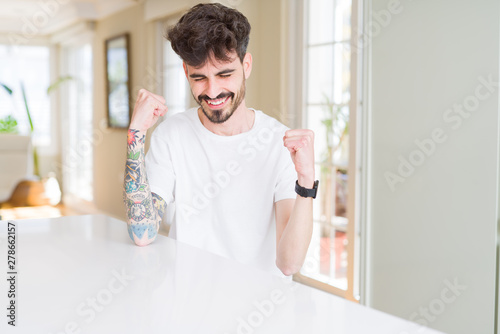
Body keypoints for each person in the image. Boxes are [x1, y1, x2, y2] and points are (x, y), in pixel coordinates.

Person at [123, 3, 318, 277]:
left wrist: (307, 180)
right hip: (189, 301)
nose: (212, 92)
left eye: (224, 74)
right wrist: (136, 133)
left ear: (245, 65)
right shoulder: (172, 134)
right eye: (199, 78)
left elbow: (289, 264)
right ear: (185, 72)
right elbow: (142, 233)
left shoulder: (280, 143)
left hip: (259, 310)